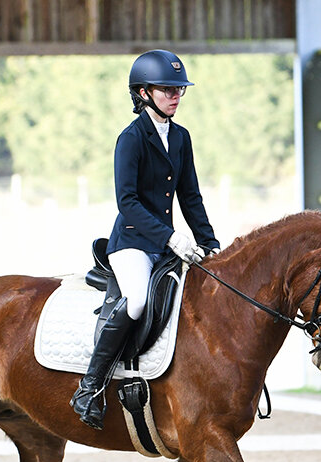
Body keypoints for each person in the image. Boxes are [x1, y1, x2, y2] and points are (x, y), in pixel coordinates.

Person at [71, 49, 220, 430]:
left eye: (179, 90)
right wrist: (171, 238)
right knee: (136, 301)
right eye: (167, 89)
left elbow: (190, 196)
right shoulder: (131, 139)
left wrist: (210, 243)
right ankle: (90, 386)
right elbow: (128, 203)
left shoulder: (181, 137)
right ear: (142, 92)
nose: (175, 96)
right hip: (133, 243)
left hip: (167, 245)